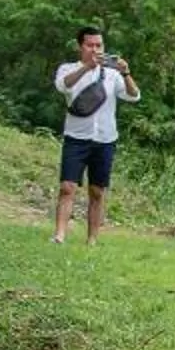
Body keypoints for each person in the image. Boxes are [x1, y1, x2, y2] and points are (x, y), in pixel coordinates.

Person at [51, 26, 140, 244]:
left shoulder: (112, 75)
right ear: (80, 46)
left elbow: (134, 95)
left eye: (98, 45)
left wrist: (126, 72)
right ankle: (60, 234)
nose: (95, 49)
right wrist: (86, 68)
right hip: (76, 136)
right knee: (67, 187)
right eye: (90, 45)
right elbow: (63, 86)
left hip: (105, 139)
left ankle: (92, 239)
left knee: (97, 191)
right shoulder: (68, 69)